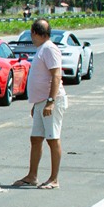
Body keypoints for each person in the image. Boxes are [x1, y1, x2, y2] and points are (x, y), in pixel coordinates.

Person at [13, 19, 66, 190]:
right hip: (40, 102)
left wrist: (51, 101)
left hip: (51, 101)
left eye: (32, 34)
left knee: (53, 138)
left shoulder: (49, 49)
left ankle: (54, 179)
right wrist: (37, 104)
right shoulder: (42, 49)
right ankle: (32, 176)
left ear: (35, 33)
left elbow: (56, 75)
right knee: (36, 138)